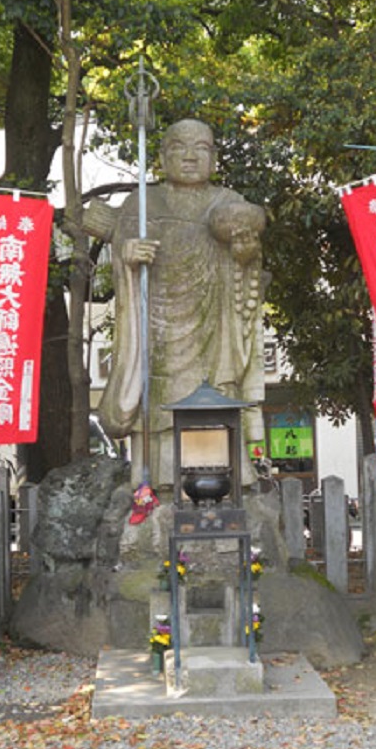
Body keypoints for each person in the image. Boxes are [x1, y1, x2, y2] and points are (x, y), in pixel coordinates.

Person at [84, 118, 266, 487]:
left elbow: (247, 262)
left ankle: (228, 474)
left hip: (214, 321)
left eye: (200, 148)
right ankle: (154, 481)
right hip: (158, 322)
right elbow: (121, 242)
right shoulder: (143, 199)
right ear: (163, 157)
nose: (189, 156)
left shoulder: (227, 202)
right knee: (157, 394)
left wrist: (246, 252)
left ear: (214, 158)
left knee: (219, 392)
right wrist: (127, 253)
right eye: (179, 147)